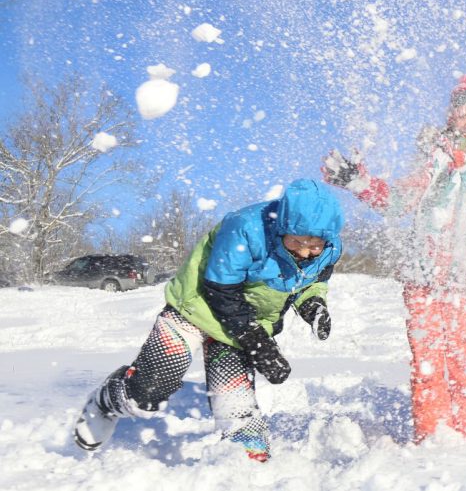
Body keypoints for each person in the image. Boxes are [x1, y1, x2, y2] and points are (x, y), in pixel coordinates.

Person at [322, 74, 466, 443]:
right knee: (428, 361)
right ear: (451, 119)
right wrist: (359, 181)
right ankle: (433, 433)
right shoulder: (434, 158)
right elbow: (397, 202)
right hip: (422, 277)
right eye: (464, 116)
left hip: (464, 280)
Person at [73, 179, 344, 462]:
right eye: (298, 242)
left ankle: (246, 470)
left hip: (242, 324)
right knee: (148, 392)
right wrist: (258, 343)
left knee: (237, 411)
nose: (304, 252)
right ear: (284, 226)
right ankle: (106, 402)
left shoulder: (330, 248)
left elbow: (308, 281)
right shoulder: (246, 228)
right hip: (195, 309)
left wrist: (313, 305)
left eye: (314, 246)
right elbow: (221, 290)